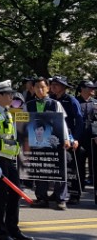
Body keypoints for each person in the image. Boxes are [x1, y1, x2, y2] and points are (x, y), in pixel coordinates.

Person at [0, 80, 34, 240]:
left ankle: (13, 228)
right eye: (9, 94)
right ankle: (0, 232)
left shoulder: (7, 113)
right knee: (0, 197)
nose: (12, 97)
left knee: (15, 194)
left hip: (9, 159)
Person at [24, 76, 73, 209]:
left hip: (54, 142)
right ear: (33, 88)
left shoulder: (55, 104)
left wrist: (66, 138)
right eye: (37, 87)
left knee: (59, 170)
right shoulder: (28, 105)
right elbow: (24, 124)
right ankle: (41, 198)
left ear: (48, 88)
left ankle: (60, 199)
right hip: (36, 143)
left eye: (42, 87)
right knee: (40, 169)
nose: (40, 90)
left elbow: (62, 122)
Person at [49, 76, 83, 205]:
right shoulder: (51, 100)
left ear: (64, 87)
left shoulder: (71, 100)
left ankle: (74, 194)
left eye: (56, 84)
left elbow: (79, 120)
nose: (53, 86)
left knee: (71, 167)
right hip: (54, 138)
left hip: (69, 138)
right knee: (56, 167)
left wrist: (76, 138)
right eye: (52, 84)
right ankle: (56, 192)